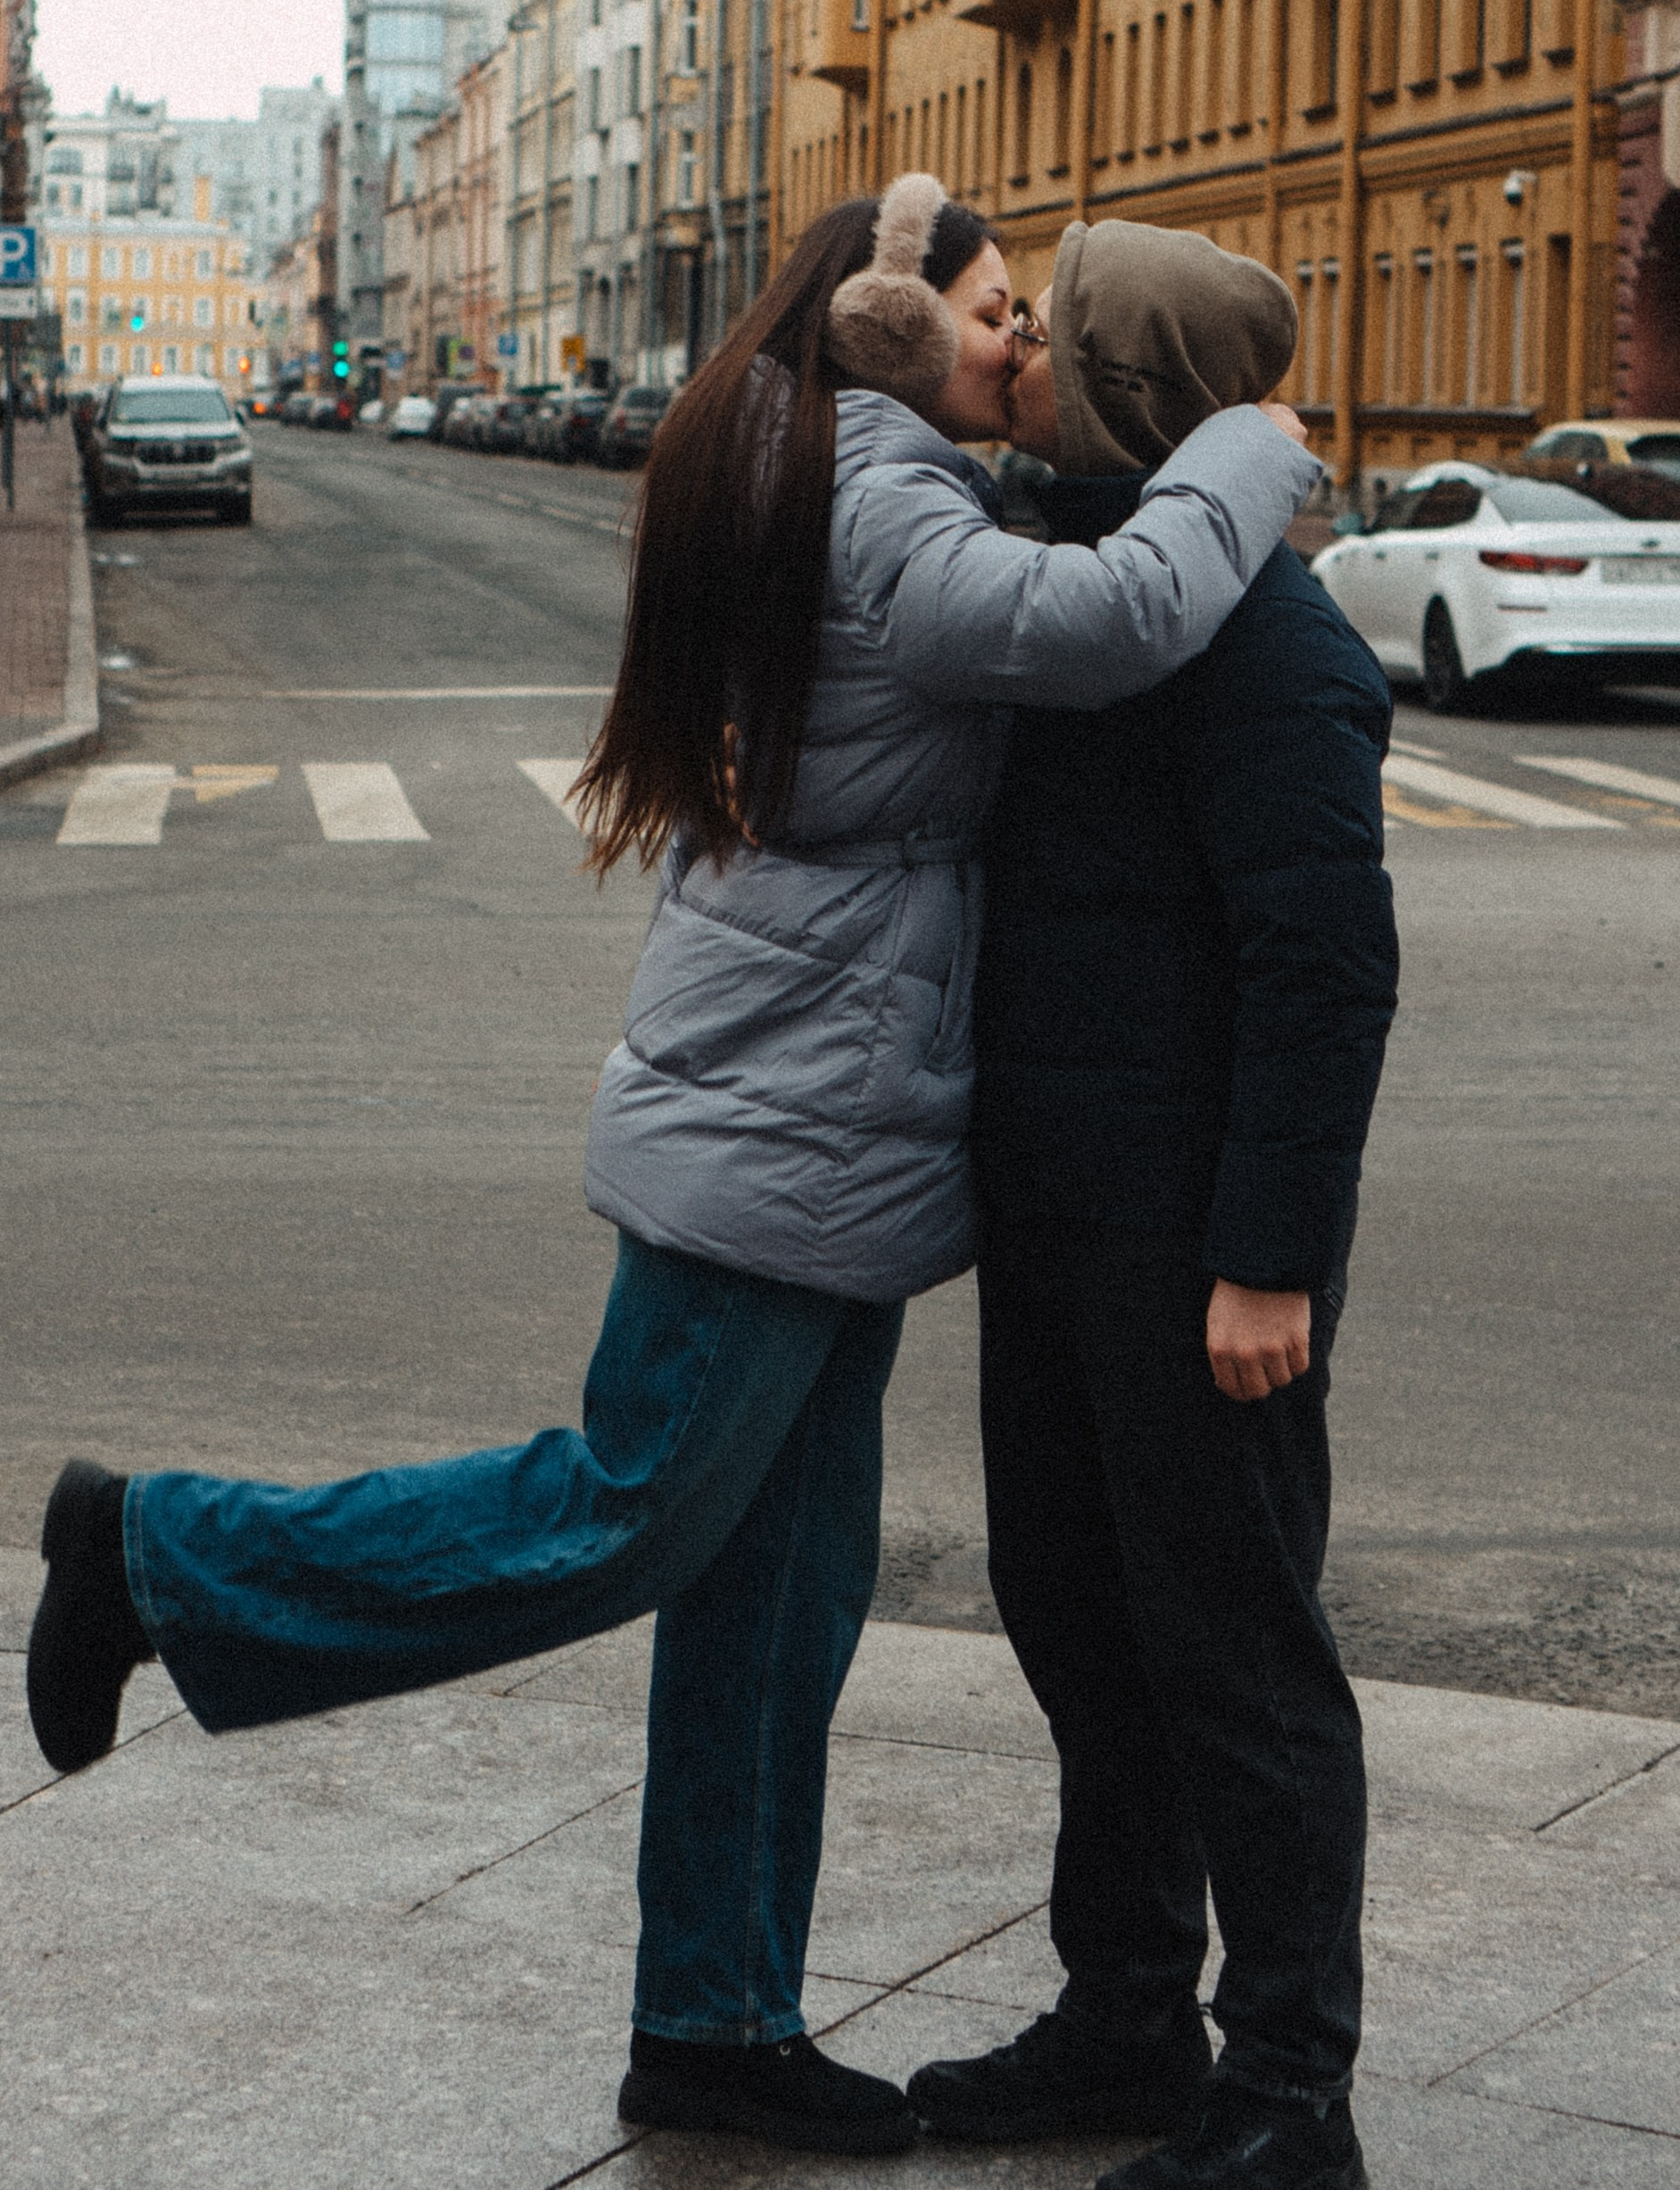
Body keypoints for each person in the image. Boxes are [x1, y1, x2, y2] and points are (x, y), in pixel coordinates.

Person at [27, 178, 1321, 2159]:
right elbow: (1117, 617)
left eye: (1033, 319)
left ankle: (711, 2021)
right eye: (991, 309)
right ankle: (154, 1556)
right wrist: (1244, 441)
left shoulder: (853, 459)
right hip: (785, 1113)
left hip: (837, 1112)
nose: (1015, 344)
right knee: (627, 1515)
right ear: (886, 321)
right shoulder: (879, 482)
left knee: (775, 1598)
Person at [907, 221, 1399, 2190]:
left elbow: (1320, 969)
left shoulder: (1270, 644)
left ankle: (1287, 2092)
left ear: (1123, 381)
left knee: (1234, 1660)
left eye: (1050, 330)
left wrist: (1265, 1256)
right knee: (1077, 1624)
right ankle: (1123, 2019)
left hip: (1201, 1251)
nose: (1011, 349)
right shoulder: (1079, 592)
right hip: (1055, 1220)